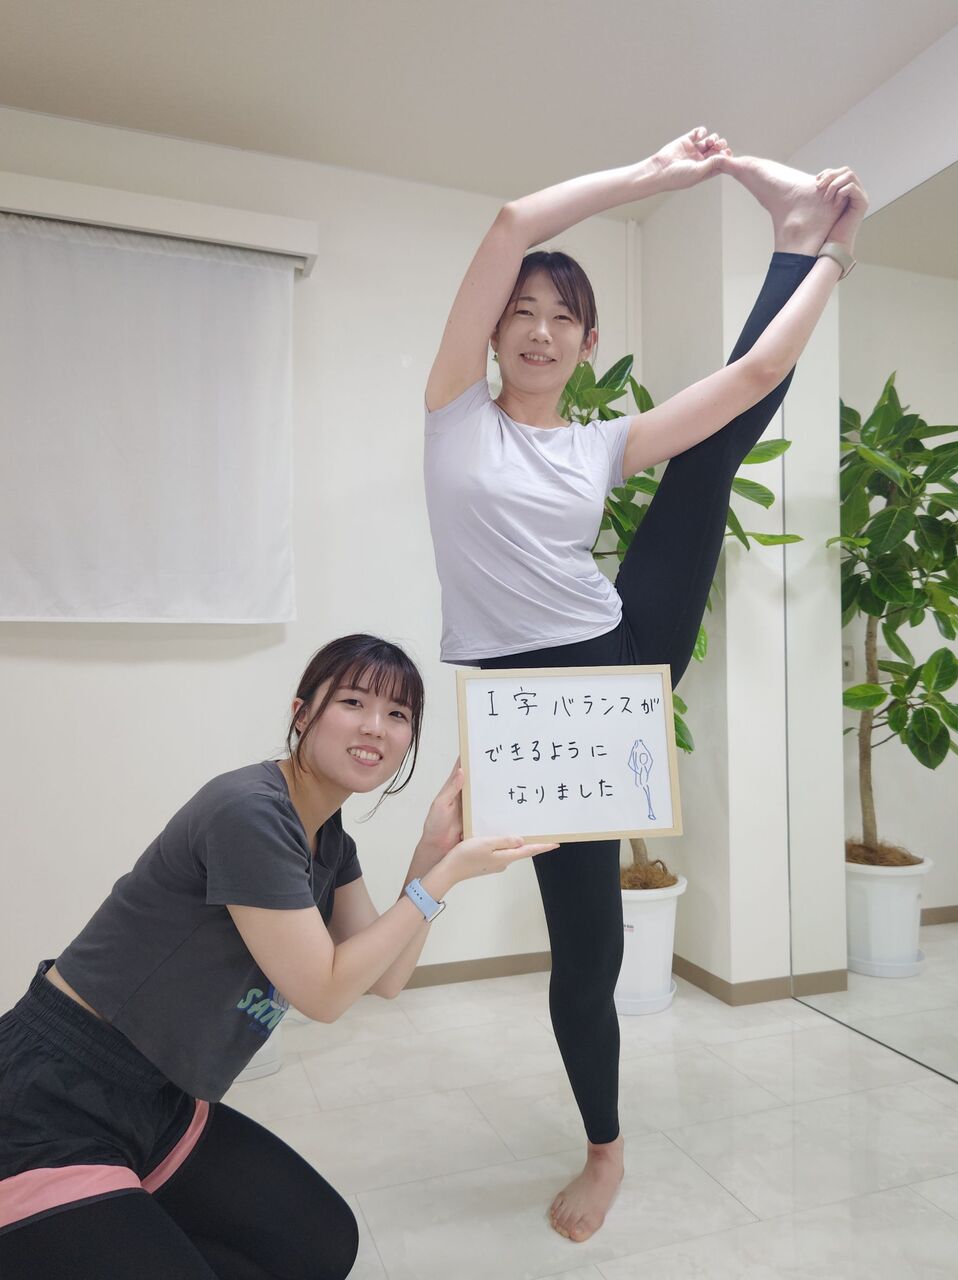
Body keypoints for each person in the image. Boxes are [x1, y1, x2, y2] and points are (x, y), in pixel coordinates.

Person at [423, 128, 867, 1242]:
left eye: (563, 317)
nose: (538, 328)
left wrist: (830, 267)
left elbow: (754, 378)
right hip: (525, 707)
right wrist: (662, 175)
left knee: (710, 453)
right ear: (494, 330)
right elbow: (510, 221)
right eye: (522, 310)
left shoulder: (600, 442)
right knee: (581, 939)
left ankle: (793, 236)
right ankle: (607, 1139)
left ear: (586, 344)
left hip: (618, 654)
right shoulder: (449, 416)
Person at [0, 633, 557, 1279]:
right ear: (302, 713)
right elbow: (324, 994)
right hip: (51, 1094)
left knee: (318, 1242)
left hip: (162, 1098)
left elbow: (387, 978)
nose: (376, 726)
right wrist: (442, 880)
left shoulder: (329, 839)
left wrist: (433, 854)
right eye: (353, 701)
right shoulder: (249, 812)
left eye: (399, 714)